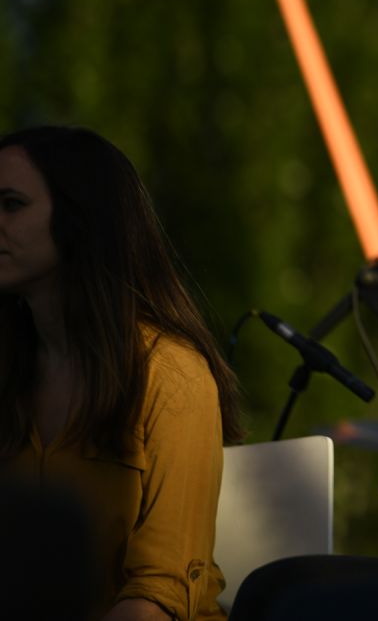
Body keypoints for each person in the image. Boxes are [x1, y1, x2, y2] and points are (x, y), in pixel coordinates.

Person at [0, 126, 243, 621]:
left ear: (80, 220)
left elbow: (157, 595)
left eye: (11, 204)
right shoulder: (10, 365)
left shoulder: (171, 373)